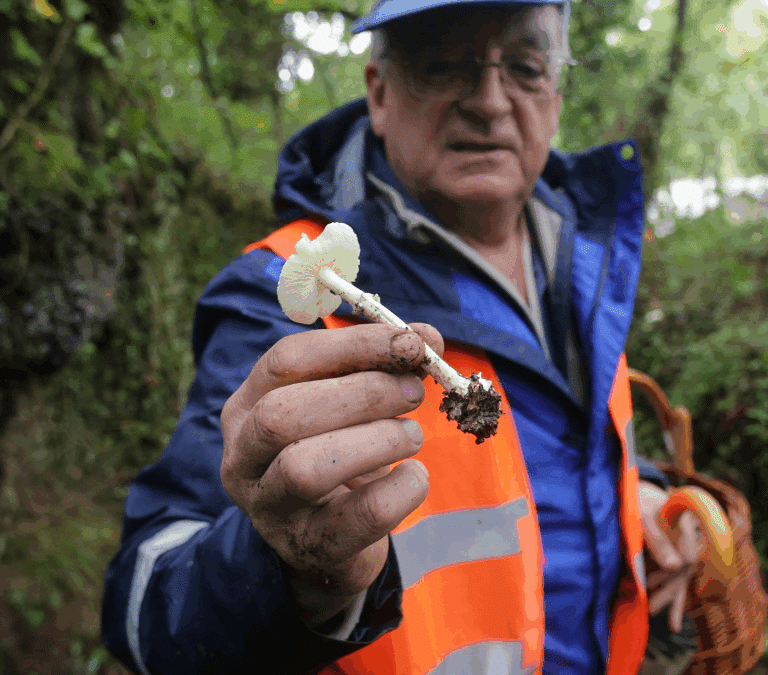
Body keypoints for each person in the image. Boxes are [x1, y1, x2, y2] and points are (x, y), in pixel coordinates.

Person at [102, 1, 704, 673]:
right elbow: (143, 601)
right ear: (379, 93)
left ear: (556, 93)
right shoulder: (286, 305)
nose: (489, 101)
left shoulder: (586, 260)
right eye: (445, 63)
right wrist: (286, 571)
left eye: (527, 66)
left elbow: (561, 436)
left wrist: (639, 488)